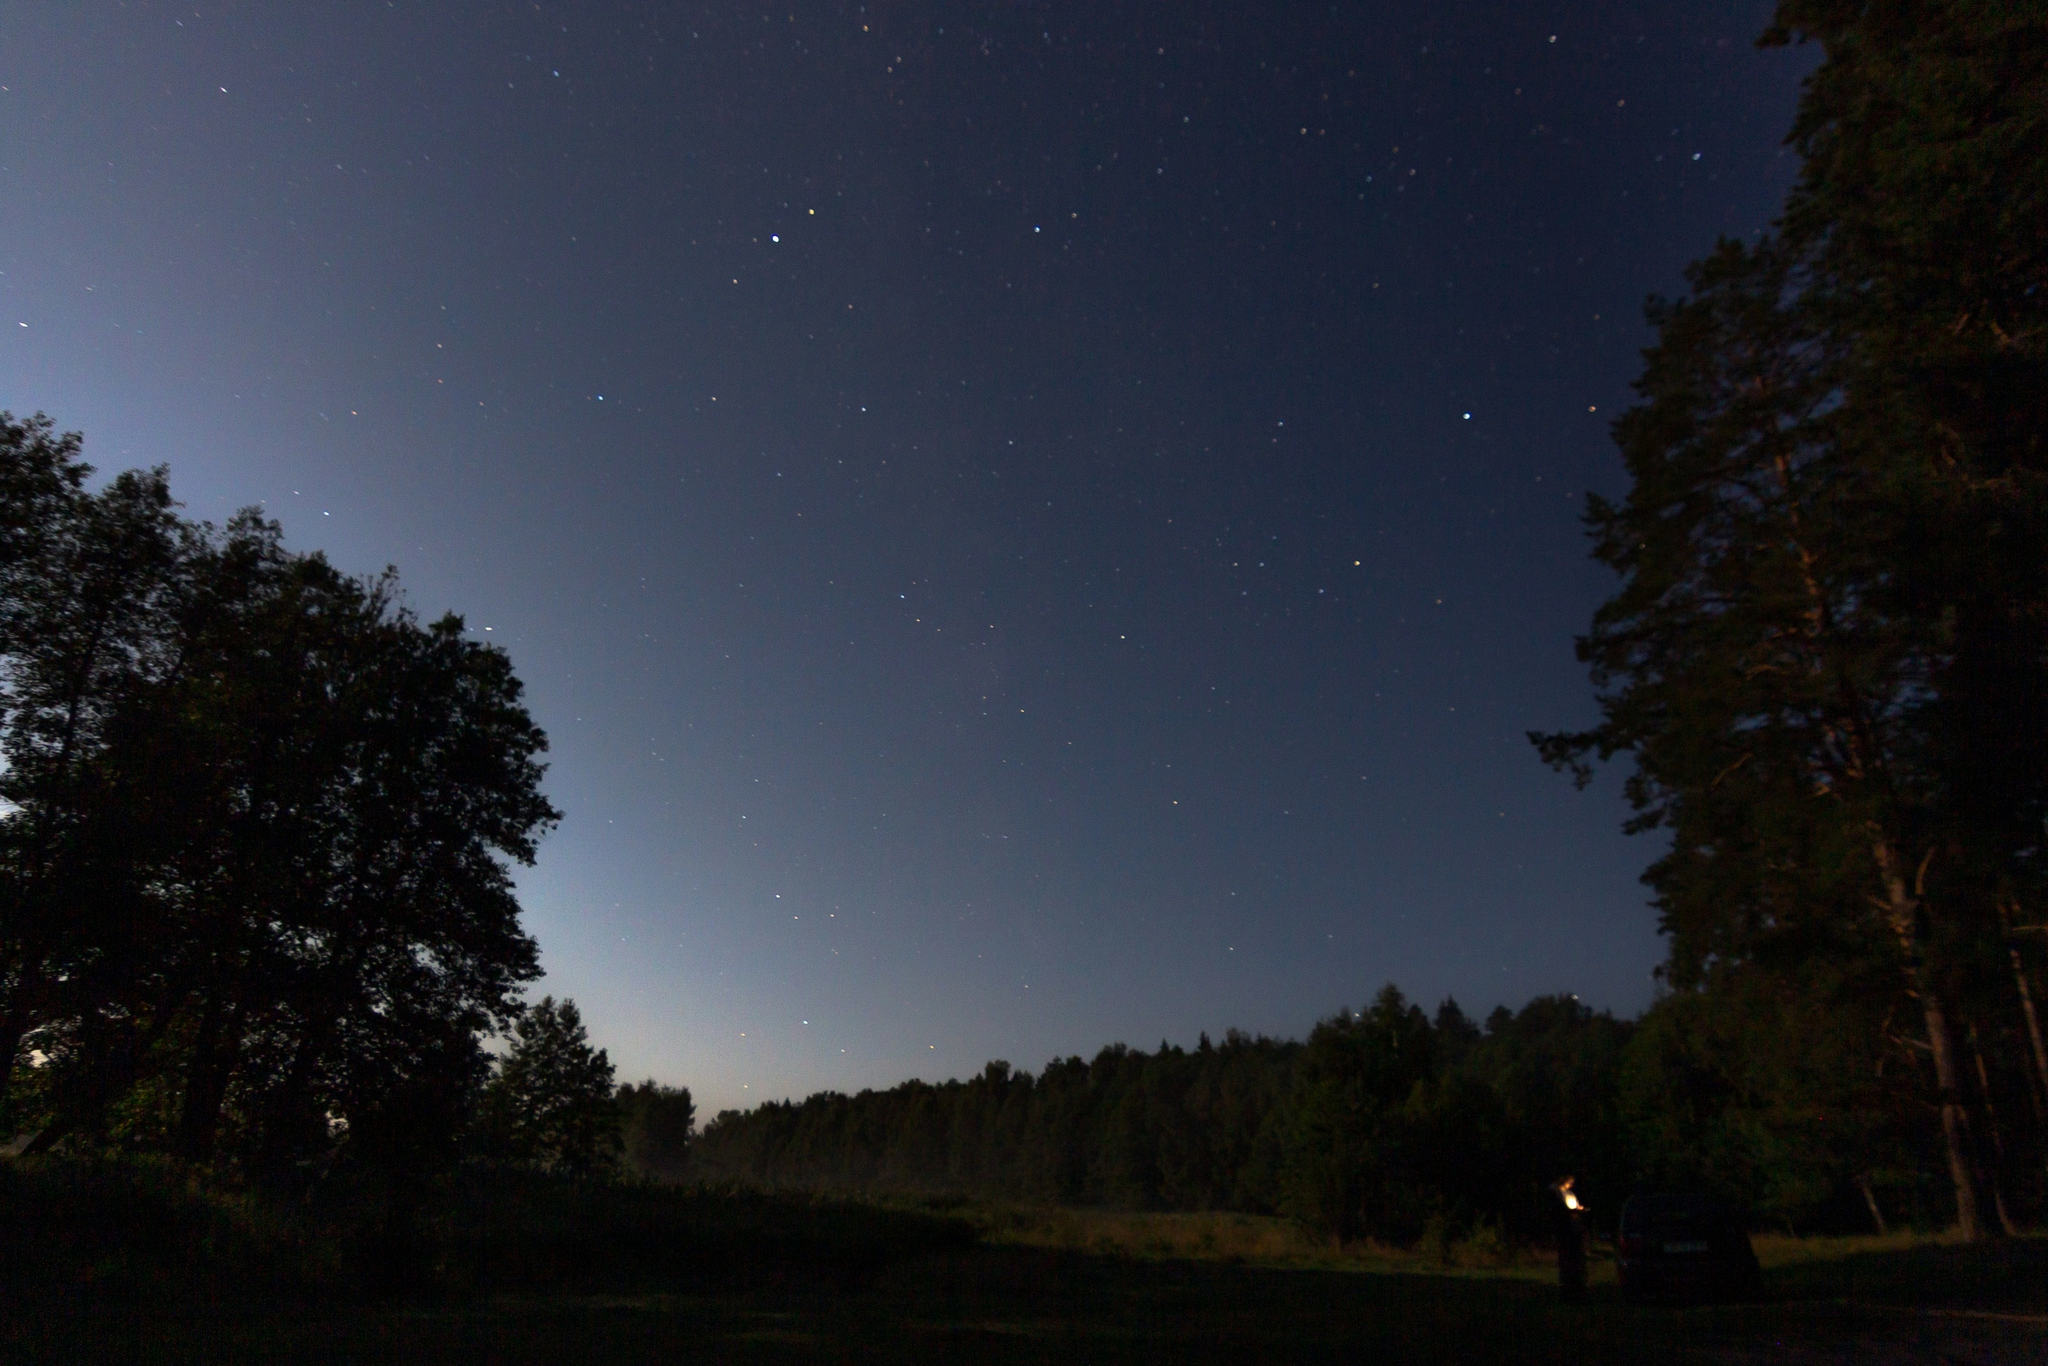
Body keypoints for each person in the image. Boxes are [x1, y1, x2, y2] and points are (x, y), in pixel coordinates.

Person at [1551, 1176, 1589, 1303]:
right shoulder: (1555, 1192)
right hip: (1565, 1230)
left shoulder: (1569, 1193)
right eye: (1570, 1181)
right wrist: (1572, 1211)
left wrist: (1578, 1209)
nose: (1571, 1184)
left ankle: (1578, 1289)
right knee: (1567, 1261)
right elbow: (1559, 1210)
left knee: (1577, 1260)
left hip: (1575, 1229)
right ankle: (1567, 1291)